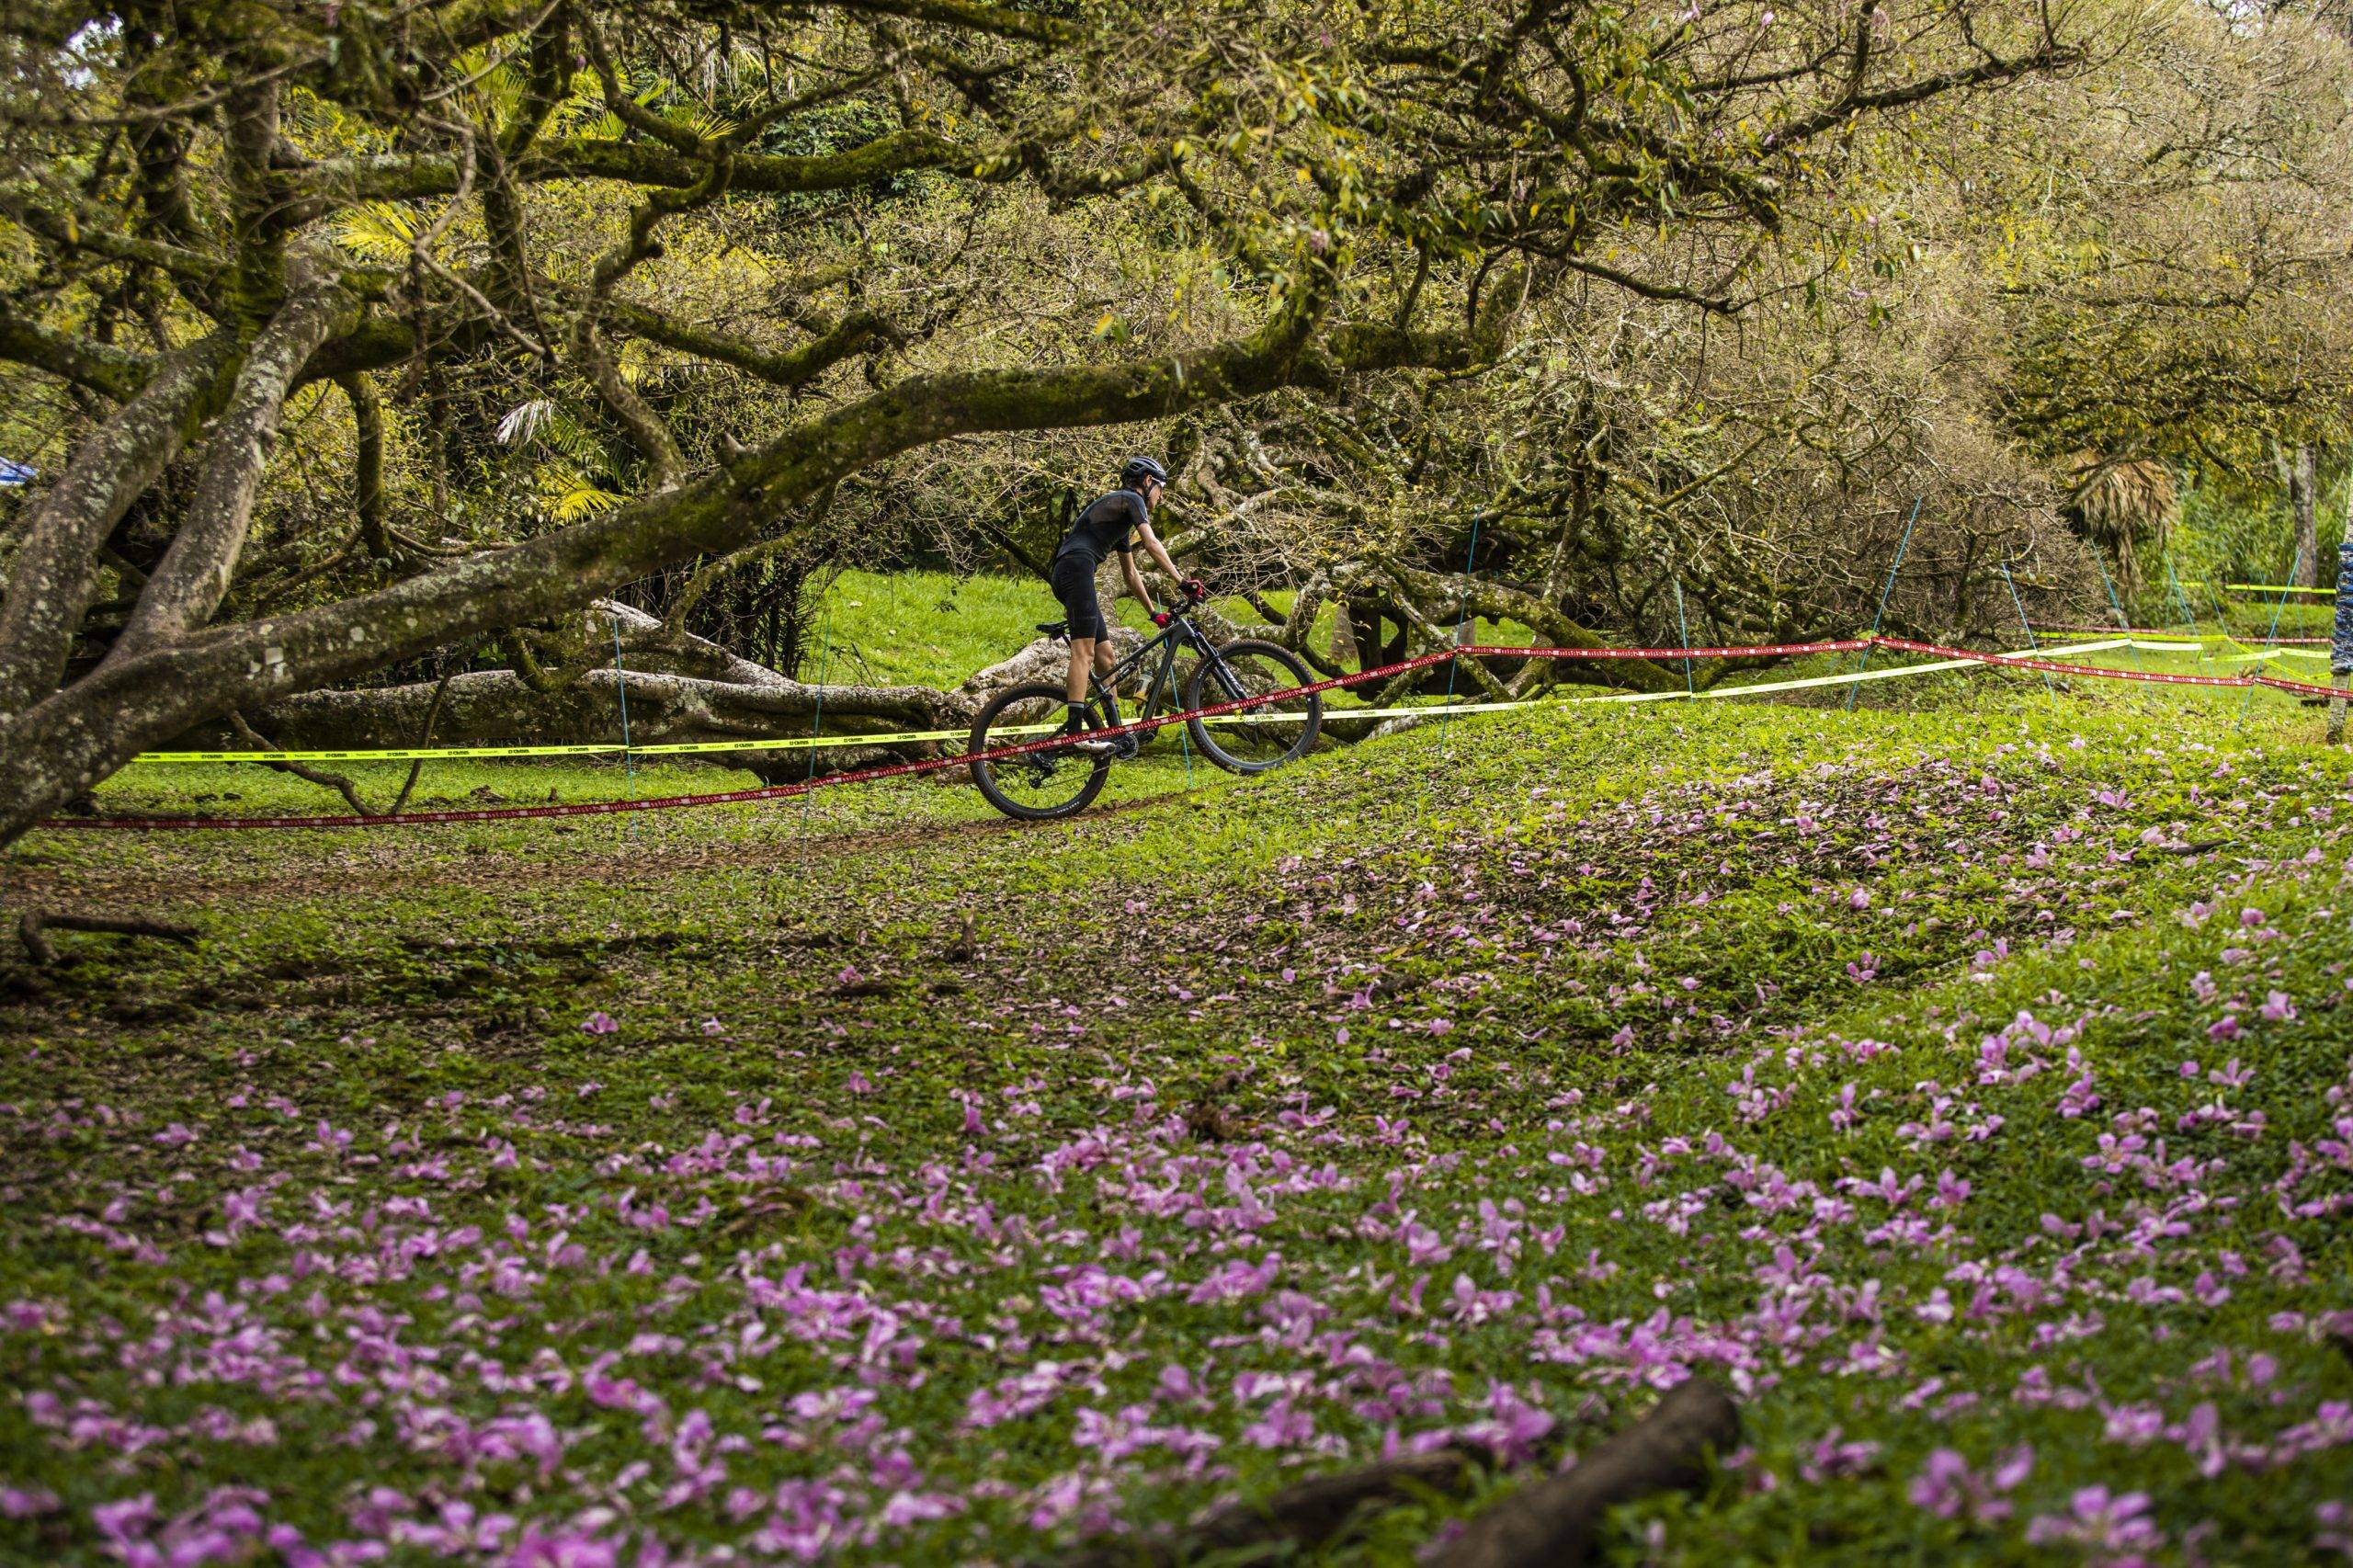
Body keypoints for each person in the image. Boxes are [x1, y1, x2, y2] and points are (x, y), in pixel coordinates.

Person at [1050, 455, 1200, 755]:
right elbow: (1153, 544)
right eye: (1161, 488)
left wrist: (1153, 613)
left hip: (1074, 572)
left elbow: (1130, 575)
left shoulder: (1119, 519)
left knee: (1106, 657)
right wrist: (1181, 580)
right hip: (1075, 569)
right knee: (1084, 652)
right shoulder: (1131, 499)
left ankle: (1115, 731)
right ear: (1147, 482)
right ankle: (1075, 734)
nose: (1162, 495)